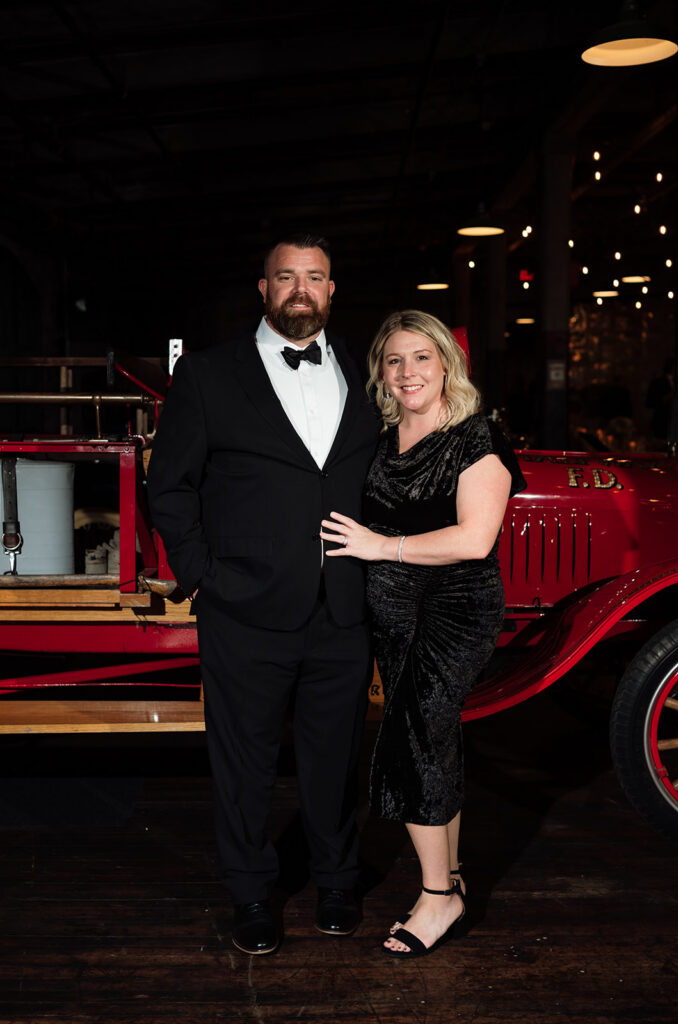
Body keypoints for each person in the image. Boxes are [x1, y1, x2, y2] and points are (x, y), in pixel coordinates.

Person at [147, 233, 379, 956]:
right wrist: (201, 573)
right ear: (263, 288)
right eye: (286, 277)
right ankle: (250, 890)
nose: (300, 289)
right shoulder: (212, 376)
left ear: (332, 289)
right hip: (243, 605)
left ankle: (338, 878)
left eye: (314, 277)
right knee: (243, 760)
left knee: (335, 756)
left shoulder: (366, 372)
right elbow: (170, 485)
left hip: (343, 603)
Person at [320, 309, 525, 959]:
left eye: (421, 358)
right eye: (394, 360)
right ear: (381, 372)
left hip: (454, 608)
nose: (408, 372)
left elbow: (473, 538)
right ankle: (452, 875)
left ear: (446, 365)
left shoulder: (475, 437)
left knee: (413, 735)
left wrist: (381, 546)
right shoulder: (378, 435)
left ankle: (438, 897)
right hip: (394, 612)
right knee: (432, 737)